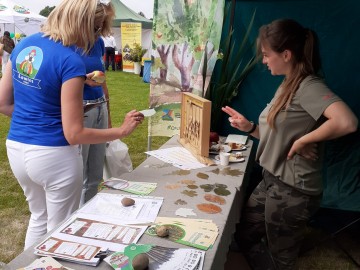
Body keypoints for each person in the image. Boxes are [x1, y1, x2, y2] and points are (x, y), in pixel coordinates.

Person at [0, 0, 144, 250]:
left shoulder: (25, 44)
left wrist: (40, 117)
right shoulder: (70, 59)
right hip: (54, 155)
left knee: (39, 217)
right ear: (83, 24)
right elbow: (74, 132)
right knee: (60, 230)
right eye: (96, 28)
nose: (97, 36)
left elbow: (3, 103)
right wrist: (121, 130)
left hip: (17, 148)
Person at [222, 19, 358, 270]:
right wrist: (250, 127)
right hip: (271, 179)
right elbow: (277, 135)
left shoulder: (309, 87)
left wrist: (304, 139)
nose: (263, 61)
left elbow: (347, 121)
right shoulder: (287, 84)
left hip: (293, 189)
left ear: (286, 54)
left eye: (266, 55)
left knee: (279, 259)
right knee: (243, 233)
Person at [76, 36, 113, 206]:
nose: (99, 30)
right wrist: (83, 79)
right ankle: (72, 217)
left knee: (95, 174)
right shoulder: (65, 42)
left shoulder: (98, 42)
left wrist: (108, 111)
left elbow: (101, 78)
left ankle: (87, 214)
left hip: (100, 107)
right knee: (78, 172)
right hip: (80, 109)